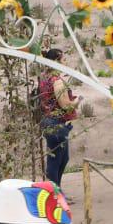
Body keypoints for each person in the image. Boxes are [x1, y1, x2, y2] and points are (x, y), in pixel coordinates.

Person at [36, 48, 77, 188]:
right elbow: (66, 105)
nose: (65, 62)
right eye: (63, 59)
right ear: (56, 61)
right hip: (56, 124)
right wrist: (77, 102)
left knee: (61, 158)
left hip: (49, 121)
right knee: (57, 159)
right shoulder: (57, 81)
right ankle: (54, 193)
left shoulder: (44, 77)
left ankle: (56, 190)